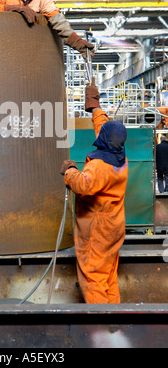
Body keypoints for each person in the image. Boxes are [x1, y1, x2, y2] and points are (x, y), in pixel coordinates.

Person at [60, 79, 128, 304]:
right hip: (114, 225)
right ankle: (114, 322)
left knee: (93, 278)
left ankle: (100, 324)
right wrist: (95, 108)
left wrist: (70, 171)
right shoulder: (119, 156)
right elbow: (105, 129)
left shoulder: (100, 166)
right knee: (108, 275)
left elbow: (84, 186)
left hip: (97, 229)